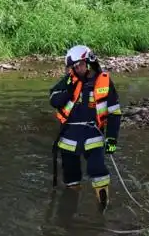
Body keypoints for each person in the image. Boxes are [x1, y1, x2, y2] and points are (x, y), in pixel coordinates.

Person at [49, 44, 122, 209]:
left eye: (79, 65)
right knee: (71, 177)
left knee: (98, 170)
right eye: (74, 66)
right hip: (68, 137)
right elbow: (54, 101)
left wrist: (111, 139)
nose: (76, 69)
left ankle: (102, 208)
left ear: (89, 62)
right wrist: (68, 87)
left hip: (93, 135)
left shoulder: (104, 81)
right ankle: (69, 213)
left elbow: (114, 113)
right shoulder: (69, 80)